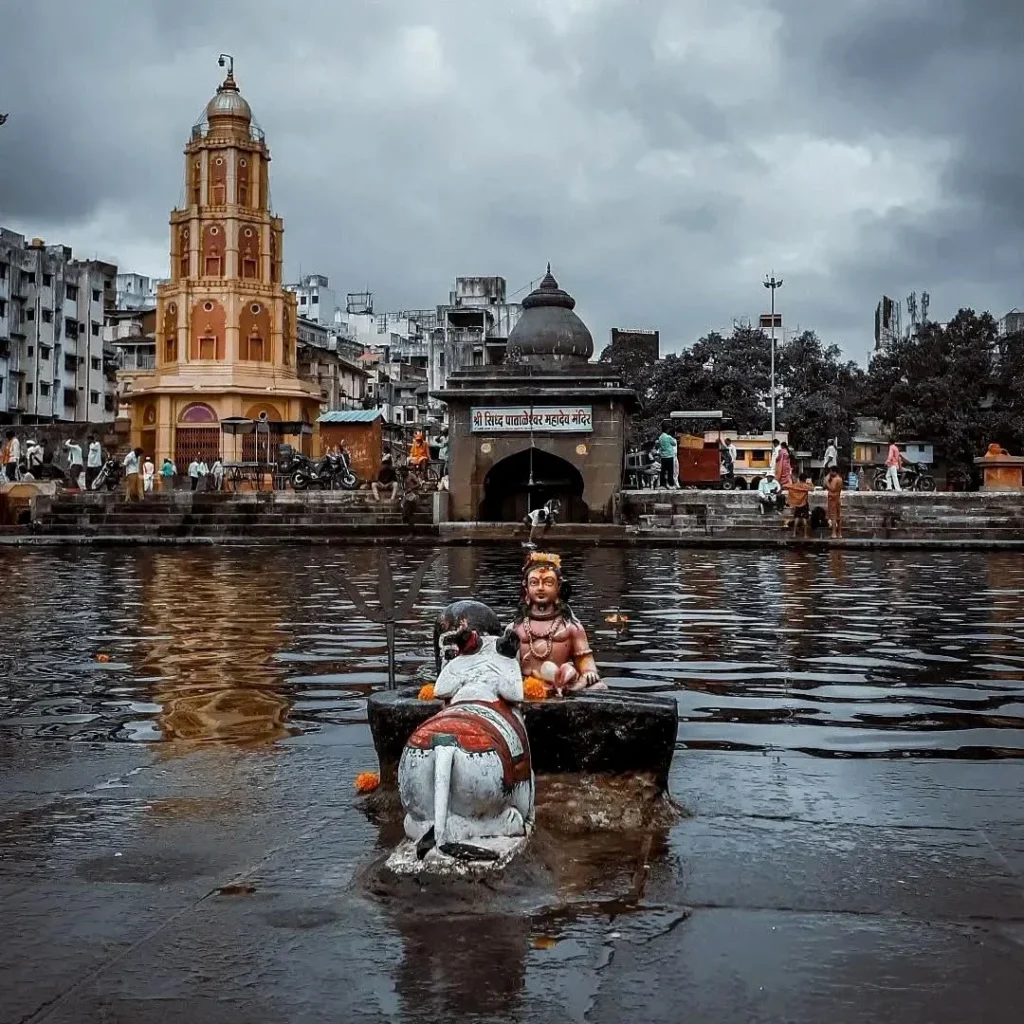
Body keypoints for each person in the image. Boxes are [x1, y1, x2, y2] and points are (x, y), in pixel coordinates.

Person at [511, 551, 606, 693]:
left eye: (548, 583)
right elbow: (505, 666)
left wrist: (588, 674)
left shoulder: (571, 627)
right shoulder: (516, 627)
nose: (541, 588)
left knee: (599, 687)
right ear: (526, 588)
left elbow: (587, 665)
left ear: (559, 588)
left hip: (562, 684)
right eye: (534, 583)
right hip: (525, 687)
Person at [784, 472, 814, 538]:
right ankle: (805, 535)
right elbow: (812, 489)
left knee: (797, 518)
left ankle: (794, 534)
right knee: (804, 518)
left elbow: (786, 486)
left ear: (799, 479)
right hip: (804, 504)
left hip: (797, 504)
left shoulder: (796, 485)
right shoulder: (805, 485)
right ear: (805, 479)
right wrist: (810, 483)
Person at [824, 466, 844, 538]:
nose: (830, 473)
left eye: (831, 471)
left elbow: (832, 488)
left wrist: (827, 483)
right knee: (838, 516)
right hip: (837, 498)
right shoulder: (840, 479)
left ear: (834, 472)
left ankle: (833, 533)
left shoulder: (835, 479)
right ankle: (839, 533)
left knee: (833, 517)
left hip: (832, 499)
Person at [657, 421, 677, 488]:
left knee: (663, 471)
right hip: (669, 456)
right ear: (666, 430)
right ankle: (671, 484)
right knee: (670, 471)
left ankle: (662, 484)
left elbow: (659, 445)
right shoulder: (668, 437)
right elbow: (674, 443)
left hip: (663, 456)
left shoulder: (660, 437)